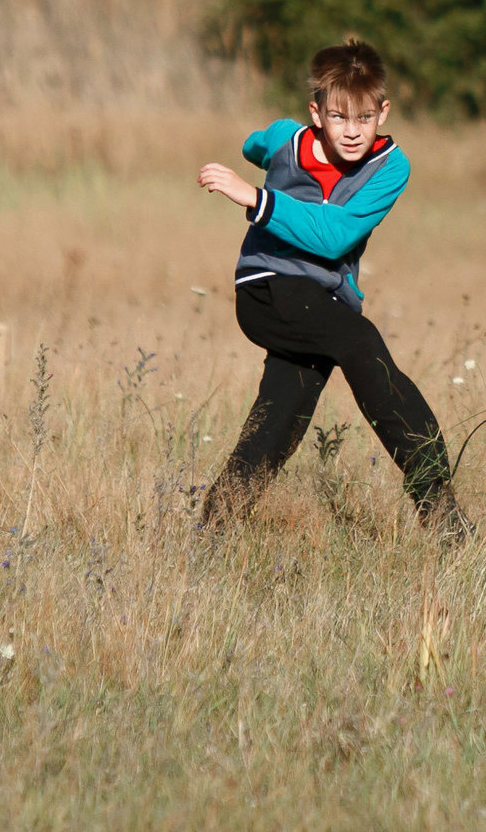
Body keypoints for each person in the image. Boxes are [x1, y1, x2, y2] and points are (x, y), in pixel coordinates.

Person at [194, 39, 468, 538]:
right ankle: (437, 499)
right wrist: (264, 163)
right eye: (338, 117)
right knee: (361, 342)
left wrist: (257, 198)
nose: (352, 131)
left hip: (323, 302)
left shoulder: (390, 167)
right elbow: (255, 144)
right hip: (266, 287)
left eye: (364, 118)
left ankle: (213, 529)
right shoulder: (287, 138)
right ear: (316, 113)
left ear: (383, 112)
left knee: (283, 414)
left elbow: (336, 235)